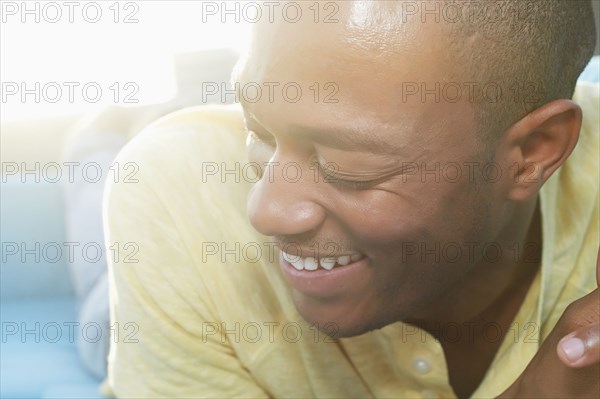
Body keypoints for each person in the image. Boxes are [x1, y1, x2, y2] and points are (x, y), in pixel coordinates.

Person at [103, 1, 599, 398]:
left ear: (534, 153)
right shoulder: (172, 193)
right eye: (259, 130)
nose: (264, 211)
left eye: (350, 164)